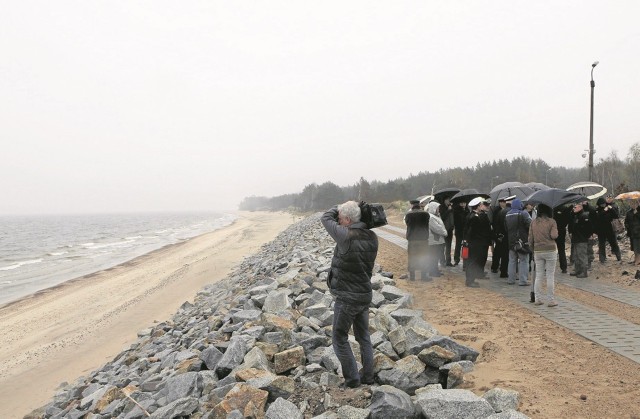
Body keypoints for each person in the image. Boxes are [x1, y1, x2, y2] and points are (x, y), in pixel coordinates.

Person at [321, 201, 377, 388]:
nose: (338, 220)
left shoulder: (345, 236)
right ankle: (368, 377)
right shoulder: (372, 236)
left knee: (339, 338)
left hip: (347, 297)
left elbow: (325, 217)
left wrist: (337, 205)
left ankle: (353, 380)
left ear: (346, 219)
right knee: (364, 337)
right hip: (364, 294)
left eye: (340, 218)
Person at [529, 204, 559, 307]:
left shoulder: (533, 222)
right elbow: (554, 236)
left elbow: (530, 239)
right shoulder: (552, 221)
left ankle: (538, 299)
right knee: (550, 275)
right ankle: (550, 300)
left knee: (539, 275)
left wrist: (532, 249)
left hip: (537, 251)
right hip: (550, 250)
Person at [463, 197, 492, 287]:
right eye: (480, 205)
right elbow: (471, 232)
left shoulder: (471, 215)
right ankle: (470, 281)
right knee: (472, 262)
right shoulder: (474, 217)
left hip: (472, 243)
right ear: (478, 206)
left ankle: (471, 279)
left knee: (471, 261)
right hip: (474, 243)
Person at [505, 198, 532, 286]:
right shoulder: (523, 213)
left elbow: (506, 228)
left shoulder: (507, 214)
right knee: (524, 261)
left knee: (512, 261)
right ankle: (523, 281)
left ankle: (511, 280)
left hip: (511, 241)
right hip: (522, 242)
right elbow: (530, 225)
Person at [404, 199, 430, 281]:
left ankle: (412, 277)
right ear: (419, 205)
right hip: (423, 239)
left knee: (412, 257)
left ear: (412, 205)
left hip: (412, 240)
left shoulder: (408, 215)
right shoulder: (426, 214)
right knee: (423, 257)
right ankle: (423, 276)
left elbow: (408, 224)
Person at [490, 196, 513, 278]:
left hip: (500, 235)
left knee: (498, 252)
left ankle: (495, 267)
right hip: (506, 235)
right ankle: (503, 271)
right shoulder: (509, 212)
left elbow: (496, 223)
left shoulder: (501, 212)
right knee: (505, 255)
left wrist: (497, 234)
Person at [594, 197, 622, 263]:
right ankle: (602, 259)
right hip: (600, 230)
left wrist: (611, 209)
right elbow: (598, 217)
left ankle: (619, 257)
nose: (603, 205)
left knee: (614, 243)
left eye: (604, 204)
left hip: (609, 229)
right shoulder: (597, 210)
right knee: (601, 245)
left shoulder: (609, 208)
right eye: (601, 204)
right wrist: (604, 211)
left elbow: (616, 216)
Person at [569, 202, 593, 278]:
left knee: (582, 256)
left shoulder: (584, 216)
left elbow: (589, 228)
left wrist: (586, 236)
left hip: (582, 239)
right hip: (576, 239)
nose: (573, 209)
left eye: (575, 207)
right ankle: (577, 270)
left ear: (580, 207)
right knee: (576, 256)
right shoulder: (575, 216)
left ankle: (584, 272)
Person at [426, 201, 448, 277]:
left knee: (436, 257)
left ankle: (435, 270)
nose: (439, 209)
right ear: (433, 208)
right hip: (434, 241)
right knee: (433, 257)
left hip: (438, 240)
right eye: (437, 208)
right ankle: (433, 272)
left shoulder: (436, 216)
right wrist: (445, 233)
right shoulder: (431, 217)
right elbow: (438, 228)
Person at [554, 205, 572, 274]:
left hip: (553, 230)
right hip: (562, 230)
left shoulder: (552, 208)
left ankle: (547, 267)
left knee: (550, 249)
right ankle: (564, 267)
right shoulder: (565, 209)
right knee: (561, 249)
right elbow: (569, 220)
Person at [439, 197, 455, 267]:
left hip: (450, 229)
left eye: (450, 200)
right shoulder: (441, 207)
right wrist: (448, 210)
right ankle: (442, 261)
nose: (449, 201)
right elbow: (442, 217)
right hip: (443, 229)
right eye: (448, 200)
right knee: (442, 246)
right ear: (445, 200)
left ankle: (448, 261)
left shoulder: (451, 207)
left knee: (449, 246)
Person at [453, 200, 469, 266]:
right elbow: (457, 221)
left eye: (464, 203)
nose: (463, 204)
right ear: (459, 203)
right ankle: (456, 259)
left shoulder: (467, 210)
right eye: (462, 203)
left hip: (466, 231)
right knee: (458, 245)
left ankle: (465, 262)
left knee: (465, 246)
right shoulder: (456, 211)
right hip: (459, 230)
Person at [624, 199, 640, 265]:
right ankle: (635, 259)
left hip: (638, 232)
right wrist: (627, 226)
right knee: (633, 247)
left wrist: (637, 214)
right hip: (631, 232)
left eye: (635, 203)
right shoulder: (629, 212)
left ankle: (638, 260)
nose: (633, 205)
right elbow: (626, 221)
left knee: (637, 247)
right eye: (631, 204)